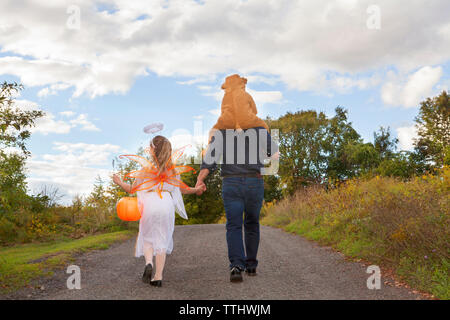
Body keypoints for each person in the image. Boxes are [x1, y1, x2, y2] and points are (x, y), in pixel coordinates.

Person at [113, 135, 205, 287]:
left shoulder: (145, 170)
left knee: (147, 237)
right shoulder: (173, 171)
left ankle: (149, 262)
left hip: (149, 204)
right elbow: (184, 189)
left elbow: (131, 189)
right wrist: (197, 189)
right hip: (166, 205)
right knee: (162, 239)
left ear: (152, 150)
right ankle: (158, 277)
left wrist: (119, 182)